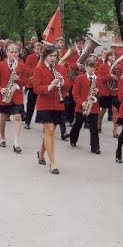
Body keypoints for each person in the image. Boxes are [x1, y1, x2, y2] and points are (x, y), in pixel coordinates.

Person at [33, 45, 71, 174]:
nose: (53, 58)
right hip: (44, 104)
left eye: (55, 56)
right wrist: (49, 86)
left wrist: (62, 82)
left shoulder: (60, 68)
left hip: (58, 104)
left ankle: (41, 153)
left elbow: (68, 85)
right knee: (49, 130)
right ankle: (53, 163)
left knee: (49, 132)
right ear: (45, 56)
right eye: (51, 56)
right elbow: (36, 88)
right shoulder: (39, 69)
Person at [0, 43, 27, 153]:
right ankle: (2, 137)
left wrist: (19, 80)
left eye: (16, 52)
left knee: (17, 117)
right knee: (3, 119)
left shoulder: (21, 65)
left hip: (17, 95)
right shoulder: (0, 65)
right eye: (11, 52)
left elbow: (26, 81)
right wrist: (1, 89)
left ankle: (16, 143)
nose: (14, 54)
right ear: (6, 52)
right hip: (5, 95)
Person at [69, 58, 101, 154]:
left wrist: (98, 91)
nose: (92, 69)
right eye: (90, 66)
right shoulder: (80, 77)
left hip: (94, 107)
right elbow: (75, 92)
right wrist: (81, 102)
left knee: (94, 128)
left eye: (93, 67)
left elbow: (102, 92)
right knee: (78, 124)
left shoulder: (97, 79)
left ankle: (95, 147)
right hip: (82, 106)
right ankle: (73, 139)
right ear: (86, 67)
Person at [24, 42, 43, 129]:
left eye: (40, 49)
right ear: (34, 49)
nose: (39, 51)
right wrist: (36, 73)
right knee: (30, 104)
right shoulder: (30, 57)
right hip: (32, 84)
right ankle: (27, 122)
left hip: (41, 84)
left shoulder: (44, 58)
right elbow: (27, 68)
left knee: (43, 105)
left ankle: (44, 124)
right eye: (37, 49)